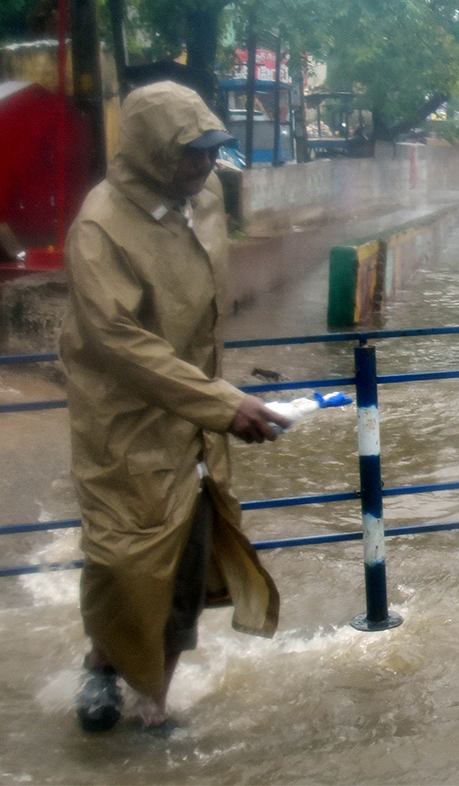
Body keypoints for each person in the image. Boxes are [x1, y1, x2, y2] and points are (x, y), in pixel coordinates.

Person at [59, 81, 292, 731]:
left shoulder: (208, 194)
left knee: (186, 560)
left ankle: (153, 705)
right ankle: (104, 663)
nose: (204, 166)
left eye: (212, 152)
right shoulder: (101, 228)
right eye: (190, 155)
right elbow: (115, 340)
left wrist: (215, 403)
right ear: (151, 154)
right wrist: (221, 402)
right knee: (123, 557)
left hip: (196, 412)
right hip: (125, 422)